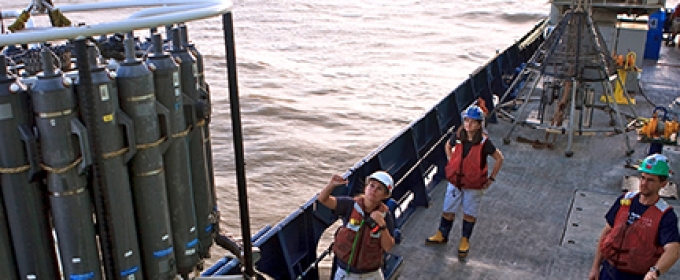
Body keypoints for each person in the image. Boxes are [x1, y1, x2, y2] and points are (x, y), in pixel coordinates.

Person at [425, 105, 504, 259]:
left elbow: (499, 158)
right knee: (448, 209)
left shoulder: (484, 143)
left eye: (473, 122)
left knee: (469, 213)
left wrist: (491, 178)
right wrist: (451, 161)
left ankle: (465, 239)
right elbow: (448, 145)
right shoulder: (459, 135)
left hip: (473, 185)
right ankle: (442, 234)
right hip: (455, 181)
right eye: (467, 120)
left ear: (479, 124)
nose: (469, 124)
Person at [589, 154, 680, 280]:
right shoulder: (624, 200)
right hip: (608, 272)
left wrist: (655, 272)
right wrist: (595, 267)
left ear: (663, 183)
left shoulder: (665, 216)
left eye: (650, 180)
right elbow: (607, 232)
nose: (643, 183)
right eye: (642, 178)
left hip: (635, 276)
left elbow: (673, 250)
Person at [318, 171, 396, 280]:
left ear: (385, 195)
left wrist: (382, 225)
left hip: (371, 274)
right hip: (346, 273)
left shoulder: (385, 215)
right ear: (366, 187)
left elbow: (388, 247)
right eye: (372, 185)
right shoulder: (350, 205)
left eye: (379, 189)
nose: (373, 190)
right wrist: (331, 186)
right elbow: (323, 199)